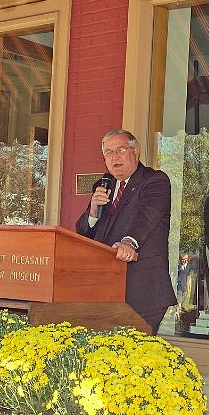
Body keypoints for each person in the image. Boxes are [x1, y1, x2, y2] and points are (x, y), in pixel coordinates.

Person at [76, 129, 176, 334]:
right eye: (109, 153)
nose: (115, 157)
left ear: (135, 152)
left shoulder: (155, 181)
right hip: (106, 289)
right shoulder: (103, 186)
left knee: (134, 357)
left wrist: (129, 242)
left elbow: (148, 216)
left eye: (121, 150)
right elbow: (84, 233)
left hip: (143, 290)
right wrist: (93, 211)